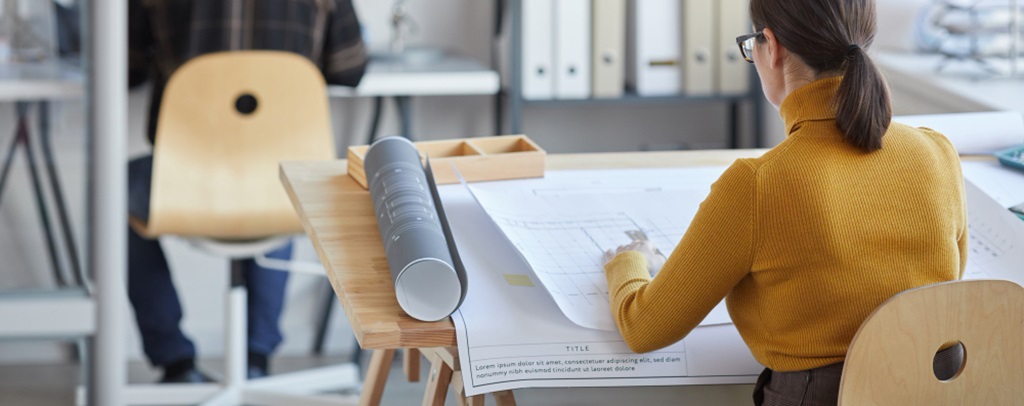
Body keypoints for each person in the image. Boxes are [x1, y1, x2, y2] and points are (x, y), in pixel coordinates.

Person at [601, 0, 966, 404]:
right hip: (942, 390)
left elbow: (644, 329)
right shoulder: (936, 152)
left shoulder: (757, 185)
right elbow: (941, 282)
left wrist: (627, 261)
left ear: (770, 47)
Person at [127, 0, 368, 383]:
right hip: (281, 187)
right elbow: (350, 68)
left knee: (112, 193)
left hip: (185, 183)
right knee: (277, 173)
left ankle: (173, 359)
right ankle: (256, 358)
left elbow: (127, 69)